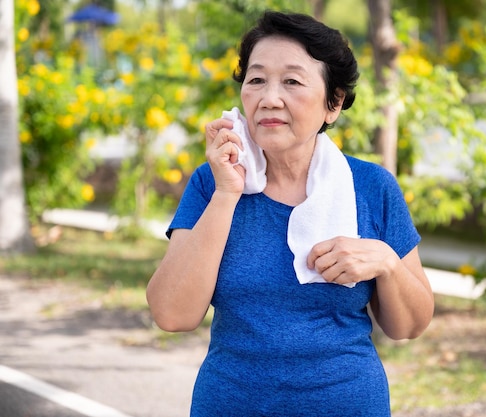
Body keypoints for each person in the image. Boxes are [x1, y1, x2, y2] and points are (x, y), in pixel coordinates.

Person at [146, 10, 434, 417]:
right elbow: (171, 313)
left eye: (292, 81)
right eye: (257, 79)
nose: (269, 98)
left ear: (333, 104)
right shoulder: (212, 183)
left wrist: (386, 262)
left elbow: (409, 326)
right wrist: (228, 192)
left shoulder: (370, 186)